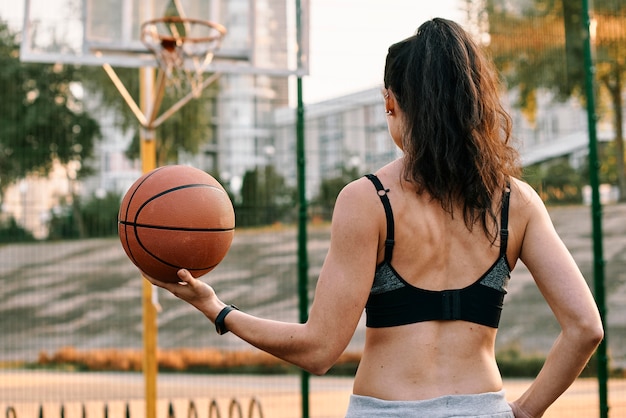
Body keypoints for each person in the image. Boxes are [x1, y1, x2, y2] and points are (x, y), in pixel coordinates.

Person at [144, 18, 603, 418]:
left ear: (391, 102)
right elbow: (585, 328)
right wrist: (523, 412)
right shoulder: (515, 202)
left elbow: (319, 350)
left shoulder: (368, 200)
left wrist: (218, 310)